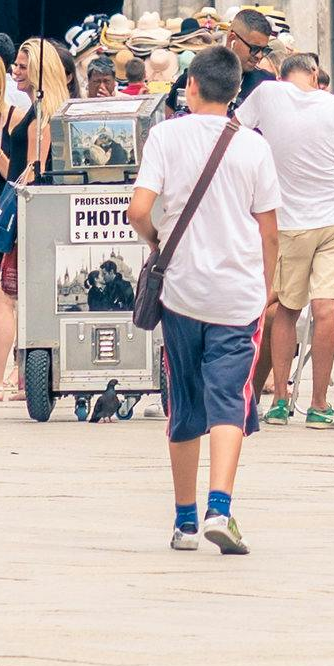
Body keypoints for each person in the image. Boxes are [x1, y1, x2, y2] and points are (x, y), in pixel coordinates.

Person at [119, 43, 278, 555]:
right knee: (231, 400)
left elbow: (138, 209)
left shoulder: (166, 135)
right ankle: (220, 510)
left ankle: (185, 522)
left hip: (182, 292)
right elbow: (269, 229)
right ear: (236, 93)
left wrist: (155, 241)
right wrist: (268, 285)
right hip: (237, 294)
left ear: (190, 87)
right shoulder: (254, 146)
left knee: (184, 403)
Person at [246, 44, 334, 430]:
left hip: (289, 220)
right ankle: (319, 404)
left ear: (283, 76)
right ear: (316, 78)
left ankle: (280, 400)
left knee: (285, 308)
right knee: (326, 309)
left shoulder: (267, 93)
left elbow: (234, 129)